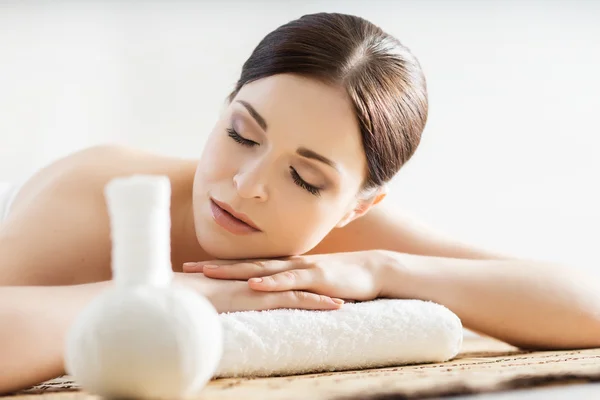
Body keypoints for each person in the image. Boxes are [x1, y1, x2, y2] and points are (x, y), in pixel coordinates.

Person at [1, 12, 599, 394]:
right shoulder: (91, 195)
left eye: (306, 180)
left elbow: (588, 306)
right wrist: (183, 293)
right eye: (241, 135)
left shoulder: (351, 240)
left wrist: (384, 269)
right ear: (224, 106)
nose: (247, 184)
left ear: (355, 208)